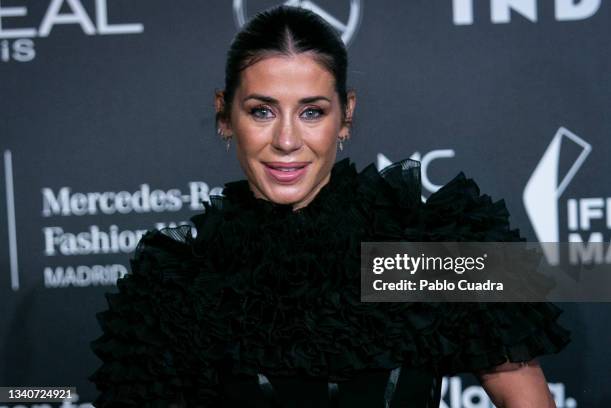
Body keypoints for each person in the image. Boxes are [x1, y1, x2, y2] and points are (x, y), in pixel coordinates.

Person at [89, 5, 571, 407]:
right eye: (262, 111)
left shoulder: (419, 247)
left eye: (311, 112)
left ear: (346, 115)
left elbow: (525, 398)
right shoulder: (180, 283)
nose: (286, 140)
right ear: (225, 114)